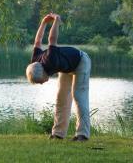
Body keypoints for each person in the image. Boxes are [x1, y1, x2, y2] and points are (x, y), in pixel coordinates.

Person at [26, 13, 91, 141]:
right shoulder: (35, 61)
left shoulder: (50, 60)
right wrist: (43, 22)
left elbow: (52, 39)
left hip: (81, 61)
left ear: (43, 72)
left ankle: (82, 134)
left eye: (40, 81)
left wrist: (56, 20)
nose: (42, 83)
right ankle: (58, 133)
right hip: (66, 67)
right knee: (61, 98)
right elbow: (38, 41)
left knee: (79, 96)